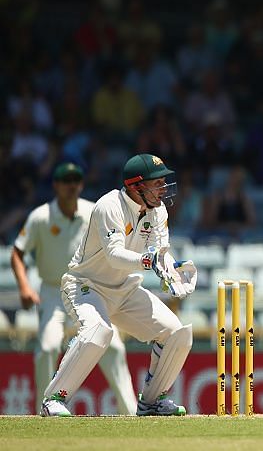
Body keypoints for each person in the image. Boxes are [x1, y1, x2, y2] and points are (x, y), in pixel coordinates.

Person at [39, 154, 197, 417]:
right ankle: (54, 399)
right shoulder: (109, 205)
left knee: (177, 334)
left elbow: (160, 250)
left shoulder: (158, 211)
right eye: (156, 183)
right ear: (136, 186)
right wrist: (149, 262)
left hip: (125, 289)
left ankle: (152, 402)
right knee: (99, 331)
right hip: (86, 286)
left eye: (163, 183)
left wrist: (173, 269)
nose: (163, 189)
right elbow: (115, 255)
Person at [11, 162, 137, 415]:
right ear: (56, 185)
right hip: (52, 290)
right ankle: (44, 411)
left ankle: (131, 413)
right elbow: (18, 251)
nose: (71, 186)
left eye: (75, 181)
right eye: (65, 181)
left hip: (87, 288)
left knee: (112, 346)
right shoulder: (40, 217)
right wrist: (25, 287)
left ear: (81, 184)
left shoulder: (94, 212)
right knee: (47, 347)